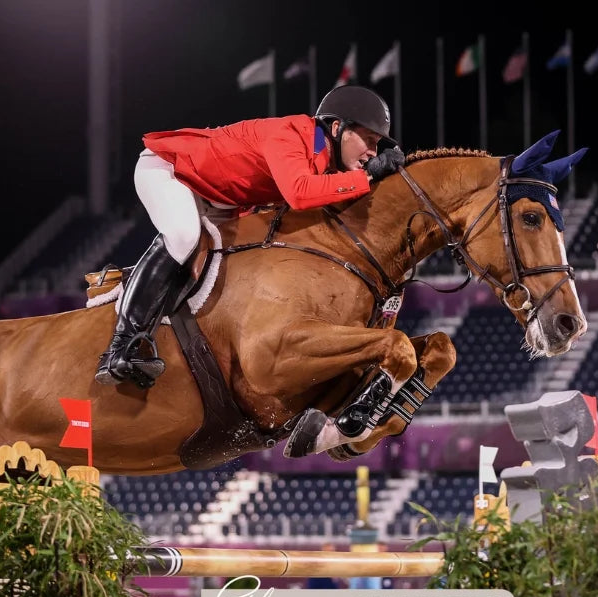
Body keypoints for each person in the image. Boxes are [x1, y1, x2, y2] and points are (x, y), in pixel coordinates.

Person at [95, 85, 406, 387]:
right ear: (338, 128)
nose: (372, 152)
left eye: (377, 145)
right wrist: (366, 176)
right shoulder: (291, 134)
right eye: (369, 139)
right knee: (184, 235)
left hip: (218, 199)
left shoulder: (322, 159)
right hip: (170, 170)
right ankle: (121, 346)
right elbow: (299, 193)